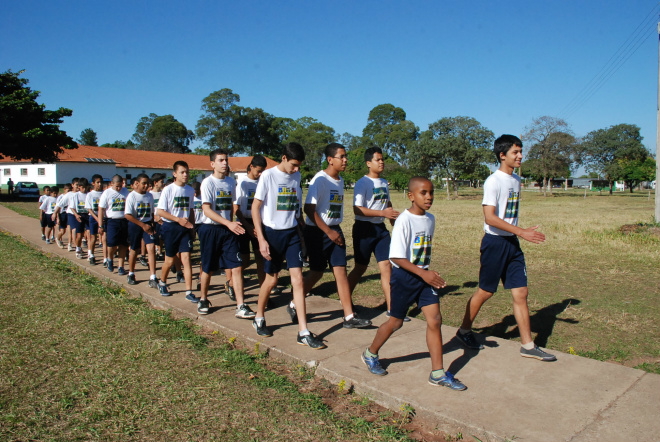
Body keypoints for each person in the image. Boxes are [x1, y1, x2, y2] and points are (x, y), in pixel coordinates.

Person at [456, 134, 556, 362]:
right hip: (495, 244)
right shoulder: (494, 181)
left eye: (521, 151)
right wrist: (521, 231)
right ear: (502, 155)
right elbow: (489, 217)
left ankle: (528, 345)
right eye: (515, 152)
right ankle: (464, 331)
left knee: (521, 292)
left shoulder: (517, 181)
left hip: (512, 243)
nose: (520, 156)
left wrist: (517, 233)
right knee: (486, 291)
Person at [361, 177, 466, 391]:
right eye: (423, 193)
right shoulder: (404, 220)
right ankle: (370, 353)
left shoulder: (430, 219)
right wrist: (422, 273)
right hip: (404, 278)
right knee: (395, 323)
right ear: (411, 196)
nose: (429, 197)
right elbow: (396, 258)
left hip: (423, 277)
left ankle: (437, 373)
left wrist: (426, 274)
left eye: (431, 193)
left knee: (435, 320)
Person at [251, 142, 326, 349]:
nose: (296, 169)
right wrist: (261, 239)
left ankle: (303, 331)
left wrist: (300, 229)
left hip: (292, 232)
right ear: (283, 158)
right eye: (294, 164)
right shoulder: (268, 176)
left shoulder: (297, 176)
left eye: (299, 165)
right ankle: (259, 317)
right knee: (271, 280)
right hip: (272, 234)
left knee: (299, 282)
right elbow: (255, 207)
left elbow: (295, 204)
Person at [301, 143, 371, 329]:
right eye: (342, 156)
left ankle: (349, 317)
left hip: (334, 230)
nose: (346, 160)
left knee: (340, 271)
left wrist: (334, 231)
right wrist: (328, 231)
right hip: (317, 232)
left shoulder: (339, 180)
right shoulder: (320, 180)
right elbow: (308, 209)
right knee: (316, 273)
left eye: (346, 156)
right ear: (330, 160)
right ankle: (295, 302)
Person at [196, 149, 255, 319]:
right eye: (221, 160)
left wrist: (231, 224)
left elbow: (230, 207)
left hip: (228, 230)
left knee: (236, 266)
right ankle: (204, 299)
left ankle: (241, 305)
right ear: (212, 164)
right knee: (208, 267)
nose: (225, 163)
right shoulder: (207, 183)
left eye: (226, 160)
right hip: (210, 229)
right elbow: (206, 210)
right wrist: (228, 222)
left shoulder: (230, 182)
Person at [347, 146, 402, 319]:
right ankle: (345, 300)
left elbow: (387, 202)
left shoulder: (384, 182)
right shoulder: (362, 183)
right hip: (364, 230)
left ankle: (392, 309)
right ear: (368, 163)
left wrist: (392, 218)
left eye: (382, 159)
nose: (381, 162)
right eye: (378, 160)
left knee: (387, 266)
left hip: (381, 230)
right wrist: (382, 214)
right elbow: (357, 209)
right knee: (360, 267)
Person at [156, 161, 195, 299]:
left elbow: (191, 210)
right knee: (170, 261)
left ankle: (189, 292)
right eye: (182, 172)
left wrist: (192, 227)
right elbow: (160, 211)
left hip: (185, 228)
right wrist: (177, 219)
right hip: (170, 227)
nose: (185, 175)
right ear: (174, 174)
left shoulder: (190, 190)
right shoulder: (168, 190)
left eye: (187, 172)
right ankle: (162, 282)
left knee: (186, 259)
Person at [235, 155, 267, 288]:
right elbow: (236, 208)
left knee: (260, 258)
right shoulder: (242, 183)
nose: (260, 174)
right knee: (245, 259)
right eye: (258, 171)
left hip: (258, 223)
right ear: (251, 167)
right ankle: (231, 283)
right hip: (244, 223)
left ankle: (263, 288)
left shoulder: (263, 182)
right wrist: (247, 226)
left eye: (262, 171)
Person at [125, 173, 158, 288]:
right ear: (137, 183)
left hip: (148, 225)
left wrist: (152, 224)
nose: (146, 186)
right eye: (144, 183)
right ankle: (131, 273)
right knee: (134, 249)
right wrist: (142, 225)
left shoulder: (149, 196)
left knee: (151, 247)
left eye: (147, 183)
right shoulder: (132, 196)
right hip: (136, 224)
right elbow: (128, 215)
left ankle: (153, 276)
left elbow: (152, 212)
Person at [97, 175, 130, 274]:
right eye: (117, 186)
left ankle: (121, 266)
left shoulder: (125, 192)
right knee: (111, 244)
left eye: (120, 186)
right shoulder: (106, 193)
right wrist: (100, 224)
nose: (119, 188)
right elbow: (101, 209)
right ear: (112, 183)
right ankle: (110, 259)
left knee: (123, 245)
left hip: (124, 220)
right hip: (112, 221)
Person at [69, 177, 89, 259]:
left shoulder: (88, 194)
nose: (84, 189)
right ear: (79, 187)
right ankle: (78, 248)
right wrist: (76, 215)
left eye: (85, 187)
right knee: (79, 235)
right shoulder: (75, 195)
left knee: (89, 234)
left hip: (88, 215)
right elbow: (72, 207)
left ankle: (90, 251)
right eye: (82, 187)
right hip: (79, 215)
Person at [85, 174, 104, 265]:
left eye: (101, 182)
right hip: (94, 217)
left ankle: (106, 258)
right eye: (97, 182)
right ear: (93, 183)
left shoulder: (104, 193)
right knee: (93, 237)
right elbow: (89, 209)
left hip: (103, 218)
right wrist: (97, 218)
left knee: (104, 238)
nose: (99, 184)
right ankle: (91, 254)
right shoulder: (90, 194)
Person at [150, 172, 166, 259]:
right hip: (154, 220)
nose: (163, 183)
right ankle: (154, 251)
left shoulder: (163, 193)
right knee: (154, 237)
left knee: (162, 237)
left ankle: (159, 251)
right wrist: (154, 217)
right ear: (155, 183)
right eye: (161, 181)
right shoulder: (150, 194)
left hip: (162, 219)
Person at [53, 183, 71, 248]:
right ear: (64, 189)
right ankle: (58, 238)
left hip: (68, 214)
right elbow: (58, 207)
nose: (69, 192)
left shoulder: (71, 196)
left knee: (70, 229)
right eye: (68, 190)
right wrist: (57, 218)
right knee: (63, 231)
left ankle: (70, 244)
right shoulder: (60, 197)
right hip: (62, 214)